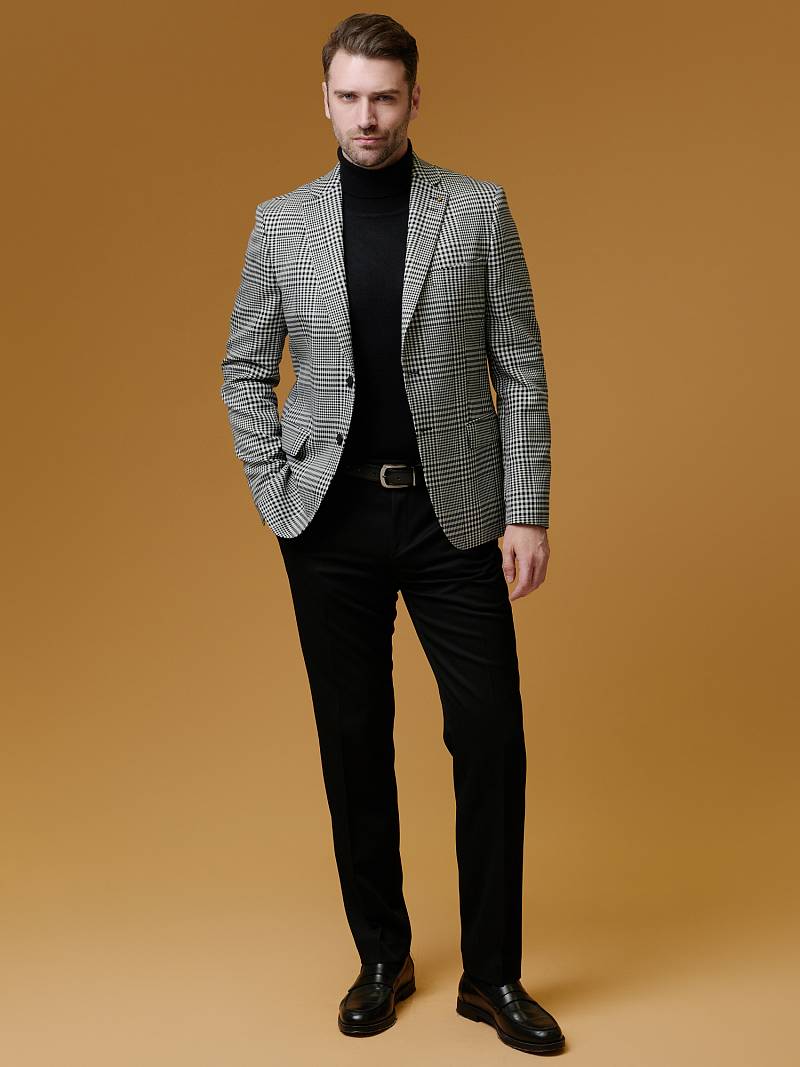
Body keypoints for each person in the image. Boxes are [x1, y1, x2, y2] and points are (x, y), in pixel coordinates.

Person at [219, 12, 565, 1056]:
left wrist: (526, 507)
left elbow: (521, 368)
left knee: (489, 738)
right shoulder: (281, 223)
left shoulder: (477, 210)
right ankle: (383, 957)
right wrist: (277, 489)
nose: (366, 117)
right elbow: (243, 367)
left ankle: (492, 975)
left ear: (416, 97)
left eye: (384, 96)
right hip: (329, 519)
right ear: (323, 100)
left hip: (452, 514)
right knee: (353, 738)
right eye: (349, 97)